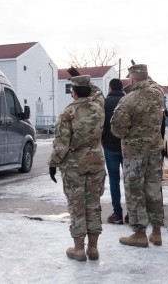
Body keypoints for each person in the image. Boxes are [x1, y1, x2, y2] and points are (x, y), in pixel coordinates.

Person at [48, 75, 106, 261]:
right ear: (89, 91)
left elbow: (62, 143)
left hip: (74, 166)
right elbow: (98, 93)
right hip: (96, 163)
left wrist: (53, 163)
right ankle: (94, 248)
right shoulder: (99, 110)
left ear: (73, 92)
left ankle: (79, 248)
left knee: (77, 206)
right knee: (93, 205)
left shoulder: (68, 112)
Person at [110, 64, 165, 248]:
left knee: (135, 192)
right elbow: (153, 84)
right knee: (154, 190)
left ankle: (139, 233)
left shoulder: (128, 100)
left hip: (134, 153)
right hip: (155, 150)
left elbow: (117, 129)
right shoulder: (158, 95)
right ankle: (156, 232)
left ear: (132, 79)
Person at [102, 78, 126, 225]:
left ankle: (117, 213)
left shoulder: (104, 103)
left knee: (114, 181)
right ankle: (132, 213)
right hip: (126, 146)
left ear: (110, 88)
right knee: (130, 181)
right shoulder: (127, 101)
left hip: (110, 146)